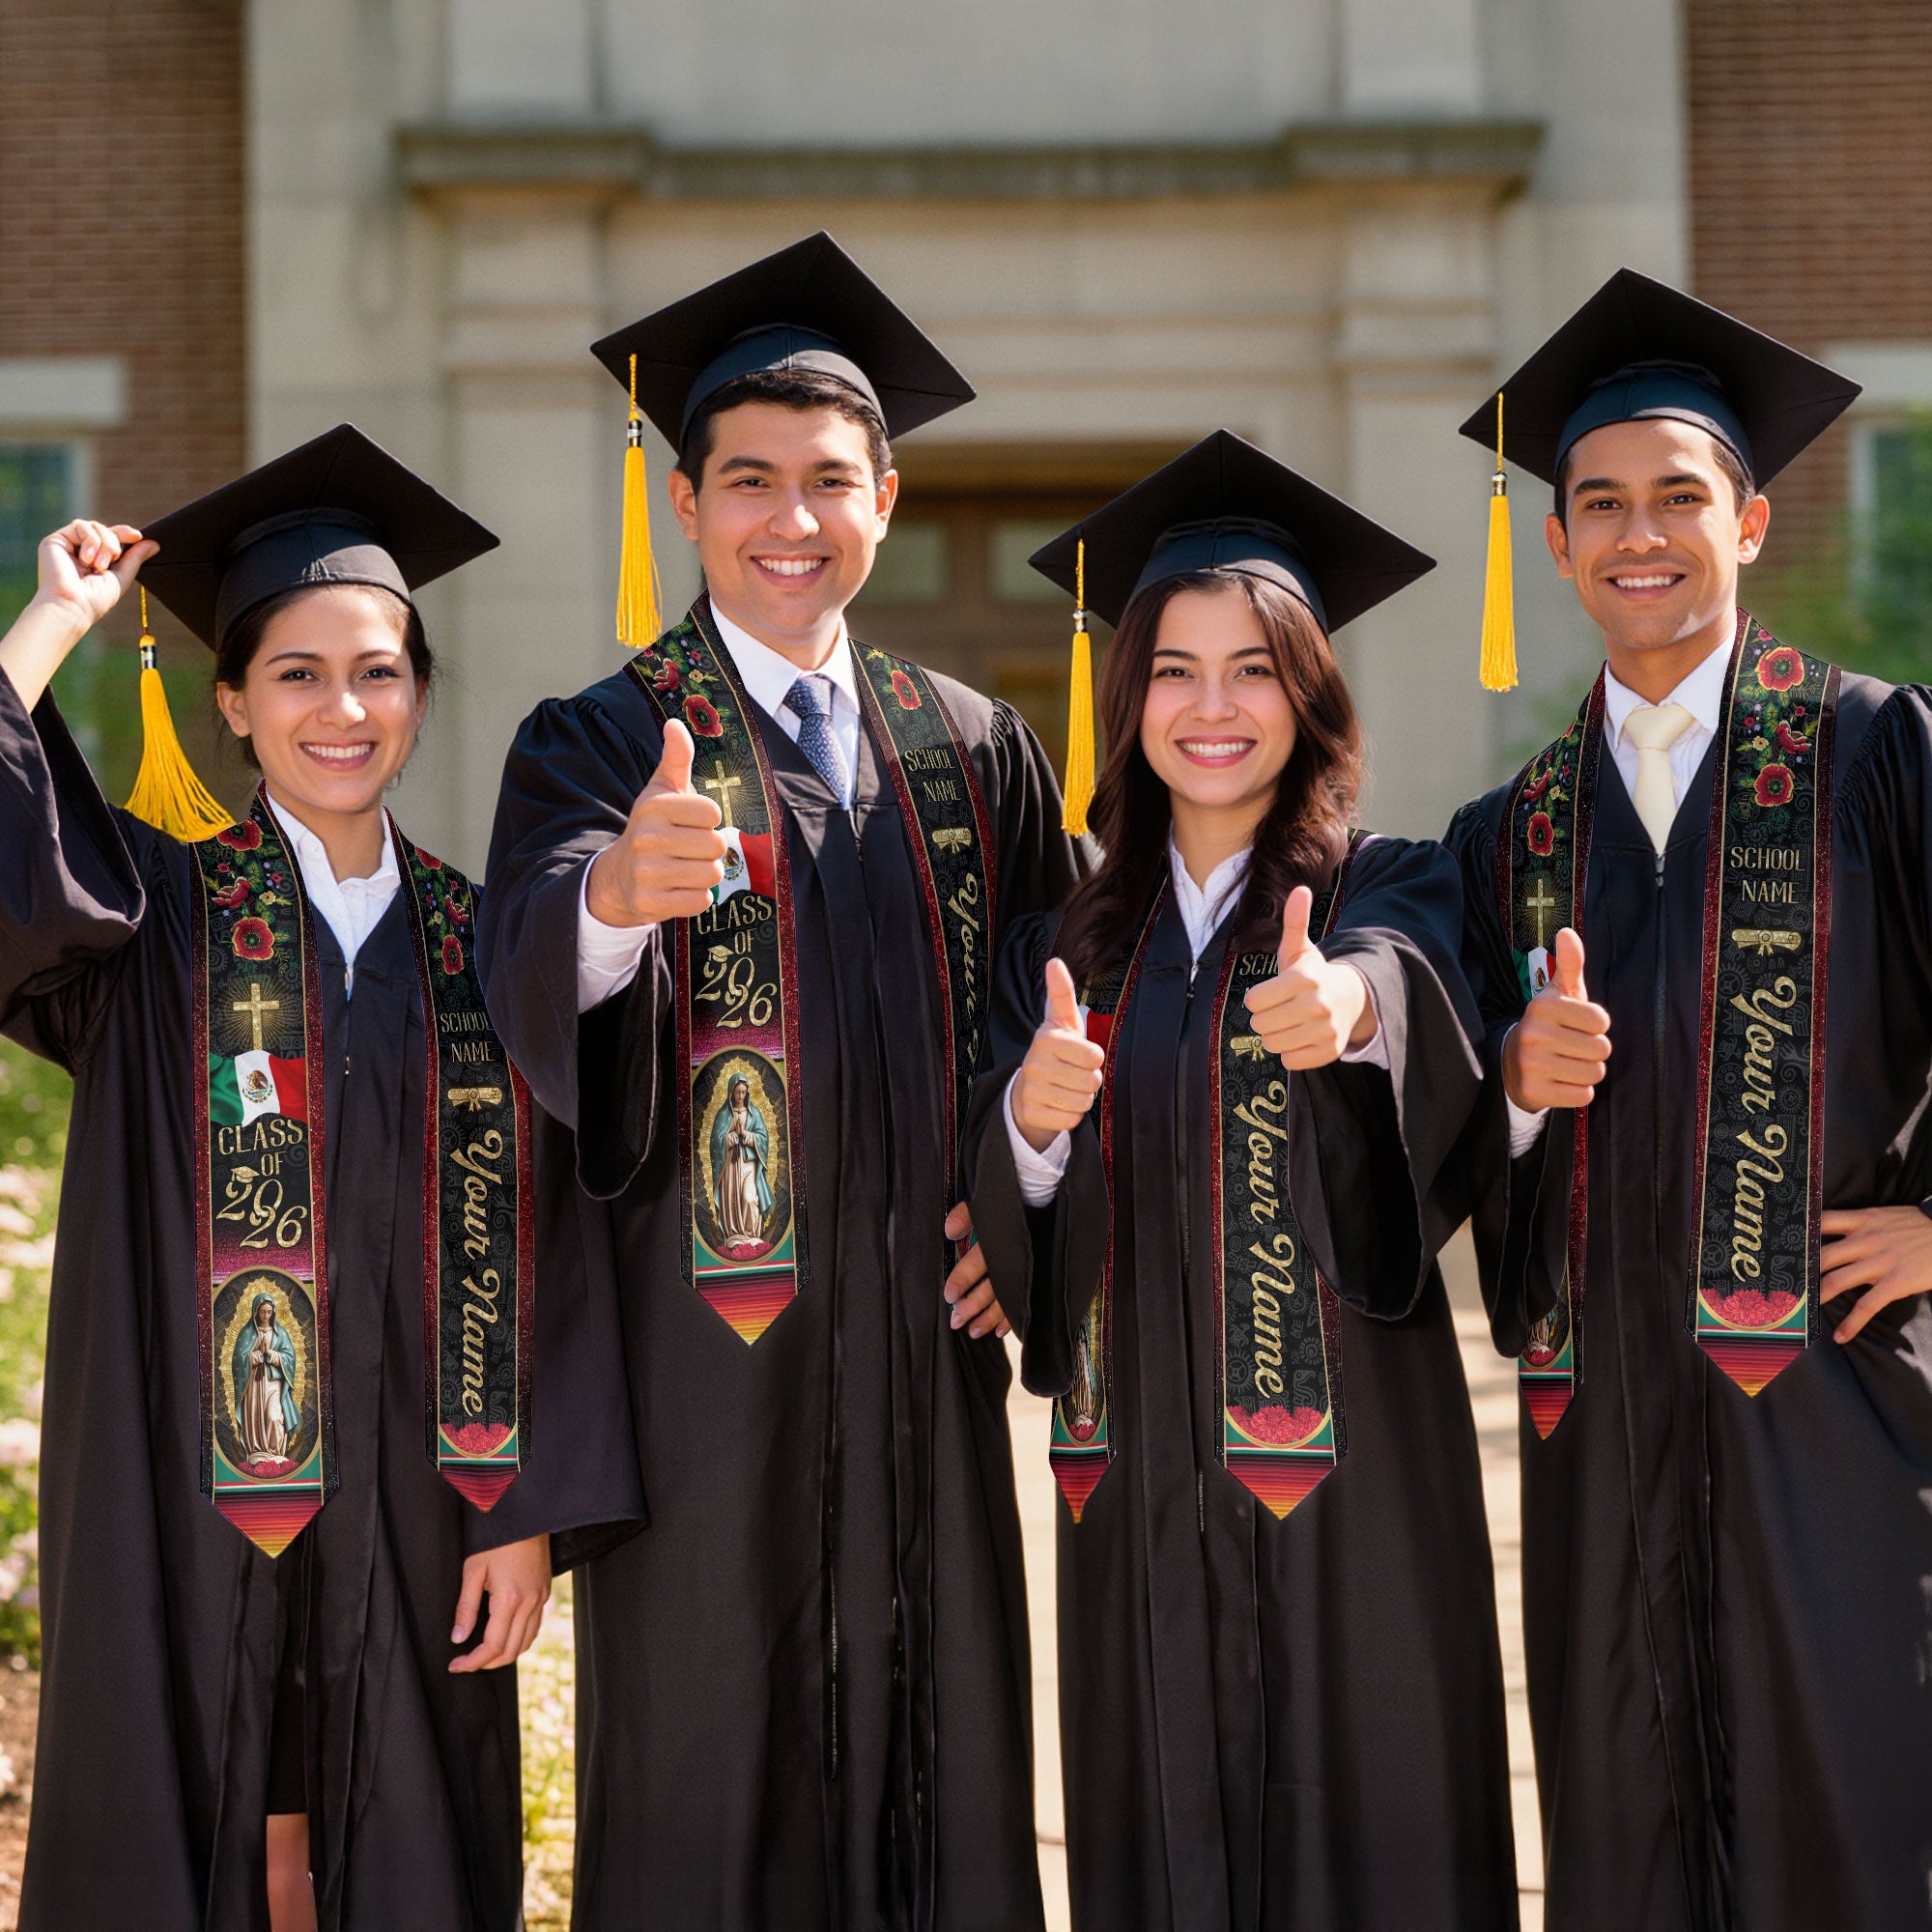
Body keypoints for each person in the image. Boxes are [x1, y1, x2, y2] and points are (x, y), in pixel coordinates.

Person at [477, 233, 1084, 1930]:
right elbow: (524, 961)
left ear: (886, 497)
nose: (790, 518)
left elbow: (1068, 1007)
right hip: (704, 1382)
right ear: (686, 504)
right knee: (710, 1784)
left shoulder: (972, 746)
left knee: (941, 1769)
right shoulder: (600, 739)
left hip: (924, 1371)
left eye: (829, 480)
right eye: (748, 481)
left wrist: (1024, 1210)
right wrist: (612, 899)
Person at [0, 425, 641, 1932]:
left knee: (404, 1834)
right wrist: (53, 622)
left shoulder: (489, 944)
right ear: (231, 701)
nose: (341, 709)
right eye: (296, 673)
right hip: (178, 1486)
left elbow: (561, 1245)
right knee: (191, 1810)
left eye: (378, 672)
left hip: (426, 1495)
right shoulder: (153, 920)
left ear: (418, 694)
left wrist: (525, 1508)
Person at [968, 432, 1518, 1931]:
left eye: (1255, 670)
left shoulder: (1388, 884)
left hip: (1357, 1492)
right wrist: (1028, 1124)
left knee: (1375, 1841)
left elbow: (1410, 988)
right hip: (1136, 1485)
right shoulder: (1063, 948)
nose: (1212, 708)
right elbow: (1008, 1220)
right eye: (1174, 671)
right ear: (1126, 699)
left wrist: (1350, 1010)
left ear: (1310, 693)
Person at [1446, 270, 1932, 1931]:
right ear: (1558, 542)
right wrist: (1513, 1090)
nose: (1637, 534)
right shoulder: (1512, 835)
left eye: (1677, 497)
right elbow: (1441, 1137)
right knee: (1627, 1835)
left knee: (1856, 1823)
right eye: (1599, 504)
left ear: (1752, 522)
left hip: (1840, 1412)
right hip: (1604, 1436)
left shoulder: (1876, 756)